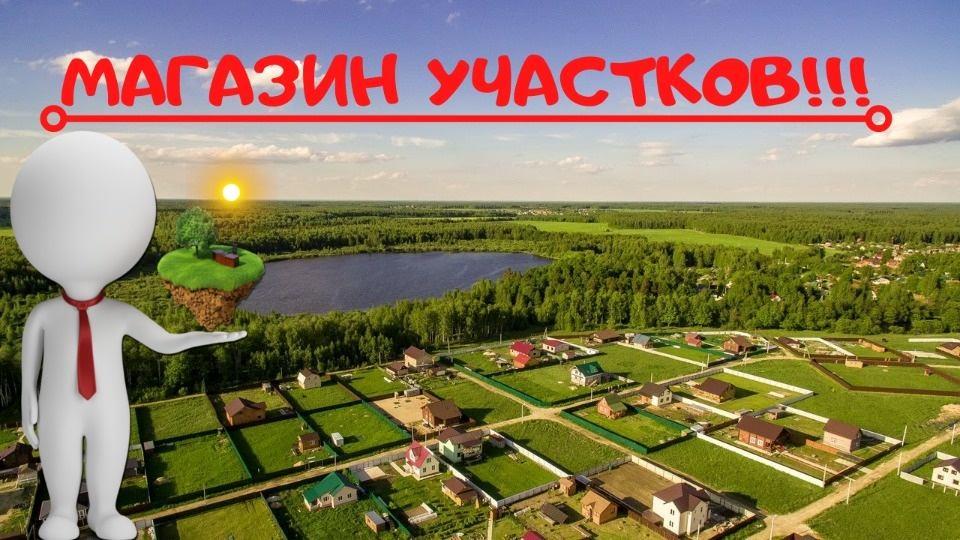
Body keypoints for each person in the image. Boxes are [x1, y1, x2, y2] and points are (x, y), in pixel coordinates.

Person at [11, 131, 245, 540]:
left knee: (109, 450)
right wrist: (27, 402)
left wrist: (215, 337)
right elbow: (29, 367)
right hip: (57, 405)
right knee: (60, 453)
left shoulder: (118, 314)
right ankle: (62, 512)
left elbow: (167, 341)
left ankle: (104, 511)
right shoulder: (44, 315)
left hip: (110, 405)